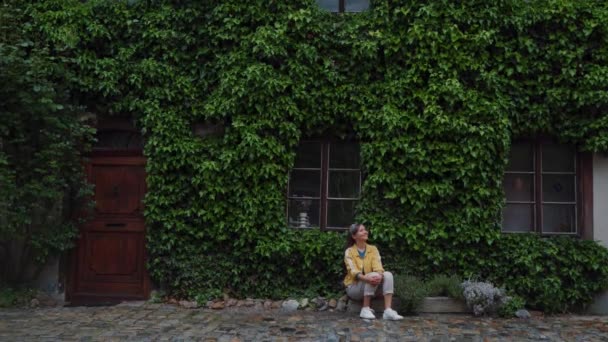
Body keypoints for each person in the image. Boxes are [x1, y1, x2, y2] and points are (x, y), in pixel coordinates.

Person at [344, 223, 404, 320]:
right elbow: (352, 271)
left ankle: (388, 310)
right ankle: (365, 309)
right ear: (354, 236)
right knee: (372, 275)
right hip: (354, 287)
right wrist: (366, 278)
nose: (365, 232)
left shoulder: (373, 249)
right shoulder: (349, 251)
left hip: (372, 284)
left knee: (387, 274)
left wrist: (379, 276)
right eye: (361, 230)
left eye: (365, 230)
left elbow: (378, 267)